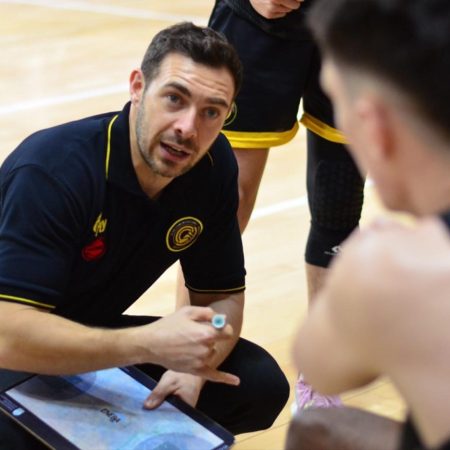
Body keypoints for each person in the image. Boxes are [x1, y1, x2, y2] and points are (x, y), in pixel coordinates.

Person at [0, 22, 290, 448]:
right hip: (15, 343)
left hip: (90, 338)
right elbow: (8, 335)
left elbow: (221, 299)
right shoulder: (55, 170)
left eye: (211, 112)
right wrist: (145, 345)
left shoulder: (212, 170)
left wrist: (195, 362)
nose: (188, 128)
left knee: (258, 383)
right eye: (175, 99)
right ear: (138, 87)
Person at [177, 0, 365, 411]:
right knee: (224, 200)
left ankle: (320, 374)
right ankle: (187, 359)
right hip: (259, 17)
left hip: (358, 21)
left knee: (338, 202)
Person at [286, 0, 450, 448]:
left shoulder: (392, 268)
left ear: (374, 127)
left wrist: (361, 266)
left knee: (312, 430)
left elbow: (317, 364)